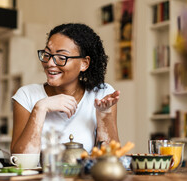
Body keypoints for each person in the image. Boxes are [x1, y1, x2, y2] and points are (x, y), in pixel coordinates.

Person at [11, 23, 120, 154]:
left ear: (84, 64)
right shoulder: (26, 95)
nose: (50, 63)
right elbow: (19, 160)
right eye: (47, 54)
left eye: (61, 58)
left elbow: (111, 158)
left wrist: (104, 114)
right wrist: (40, 108)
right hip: (44, 175)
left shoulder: (101, 94)